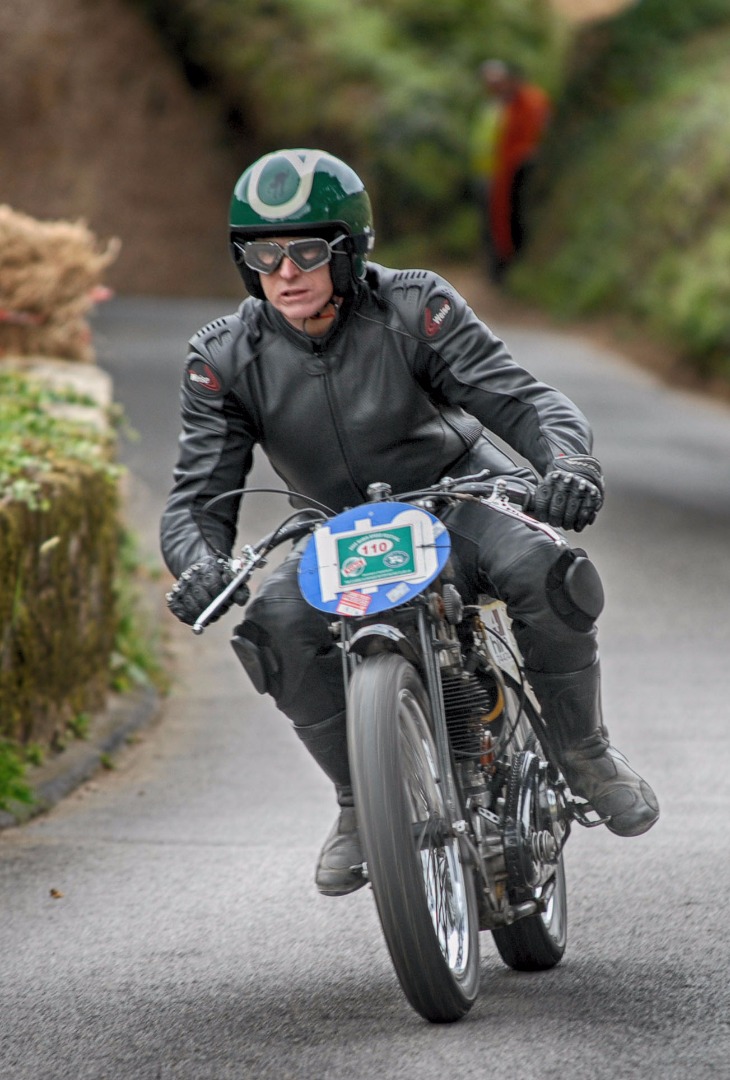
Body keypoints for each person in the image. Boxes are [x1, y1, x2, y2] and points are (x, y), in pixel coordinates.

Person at [162, 148, 659, 897]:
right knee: (270, 629)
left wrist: (569, 466)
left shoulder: (415, 307)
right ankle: (360, 802)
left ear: (349, 250)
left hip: (455, 501)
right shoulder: (223, 357)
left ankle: (585, 753)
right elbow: (198, 498)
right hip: (336, 531)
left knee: (546, 570)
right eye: (263, 254)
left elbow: (525, 401)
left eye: (306, 251)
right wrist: (200, 562)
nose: (285, 271)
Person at [475, 59, 552, 281]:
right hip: (493, 173)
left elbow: (535, 133)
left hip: (511, 170)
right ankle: (500, 265)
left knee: (510, 217)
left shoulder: (528, 101)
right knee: (495, 221)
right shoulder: (494, 107)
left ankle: (507, 265)